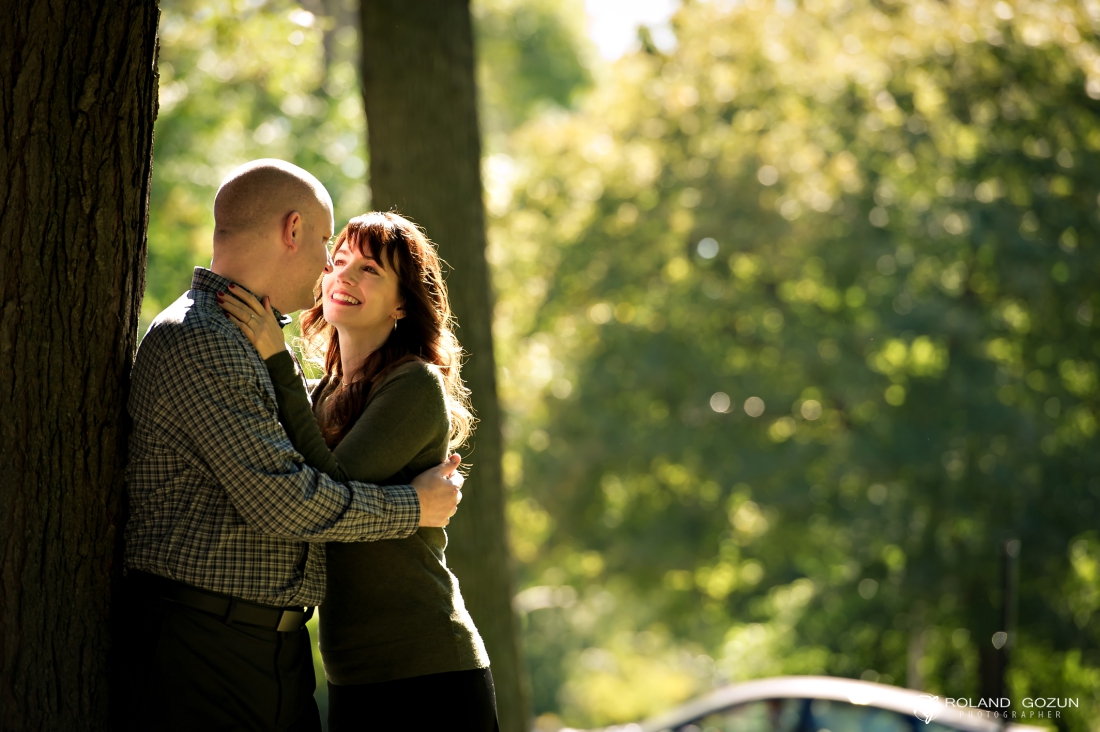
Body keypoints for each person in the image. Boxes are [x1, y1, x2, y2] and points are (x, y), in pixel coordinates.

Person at [122, 160, 464, 732]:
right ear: (293, 230)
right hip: (206, 644)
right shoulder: (205, 339)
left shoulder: (244, 339)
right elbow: (286, 502)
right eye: (330, 244)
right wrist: (414, 506)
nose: (330, 267)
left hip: (268, 648)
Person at [217, 212, 498, 731]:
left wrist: (277, 359)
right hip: (351, 675)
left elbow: (329, 490)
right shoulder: (323, 392)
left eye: (369, 269)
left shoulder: (414, 385)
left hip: (428, 671)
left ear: (402, 303)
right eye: (338, 261)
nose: (344, 276)